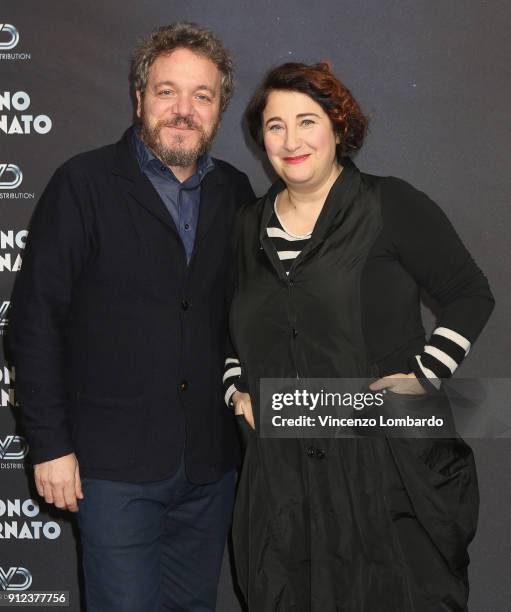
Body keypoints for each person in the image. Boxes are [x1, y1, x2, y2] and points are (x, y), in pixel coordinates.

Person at [224, 62, 495, 611]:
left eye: (306, 121)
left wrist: (425, 375)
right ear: (261, 140)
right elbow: (231, 324)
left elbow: (470, 292)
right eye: (275, 126)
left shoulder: (388, 204)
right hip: (284, 480)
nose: (291, 139)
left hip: (385, 467)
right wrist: (237, 390)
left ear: (338, 128)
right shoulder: (246, 225)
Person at [9, 22, 255, 612]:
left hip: (210, 466)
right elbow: (34, 322)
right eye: (168, 91)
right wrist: (49, 445)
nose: (184, 110)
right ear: (139, 97)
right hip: (110, 467)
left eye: (203, 95)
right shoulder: (83, 184)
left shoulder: (237, 193)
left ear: (220, 108)